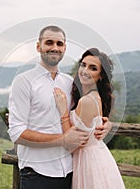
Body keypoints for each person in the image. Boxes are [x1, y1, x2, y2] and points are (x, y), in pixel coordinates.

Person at [7, 26, 111, 189]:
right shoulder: (23, 82)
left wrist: (104, 123)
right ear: (38, 46)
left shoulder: (69, 82)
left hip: (71, 171)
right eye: (49, 42)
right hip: (38, 172)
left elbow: (83, 115)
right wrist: (62, 140)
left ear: (64, 48)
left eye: (59, 44)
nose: (54, 47)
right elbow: (17, 133)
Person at [54, 47, 125, 189]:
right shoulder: (88, 96)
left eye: (93, 68)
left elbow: (71, 144)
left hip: (89, 163)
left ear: (100, 76)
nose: (85, 71)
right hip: (93, 157)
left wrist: (63, 111)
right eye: (83, 65)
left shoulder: (86, 102)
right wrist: (108, 124)